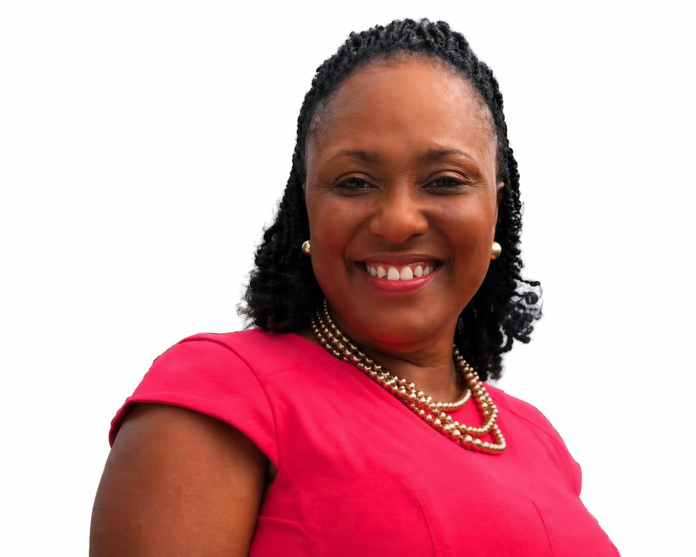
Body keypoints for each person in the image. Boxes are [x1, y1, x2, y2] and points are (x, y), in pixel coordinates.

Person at [90, 19, 620, 556]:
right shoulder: (224, 392)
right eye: (355, 183)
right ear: (307, 206)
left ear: (496, 207)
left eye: (444, 182)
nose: (398, 221)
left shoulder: (536, 438)